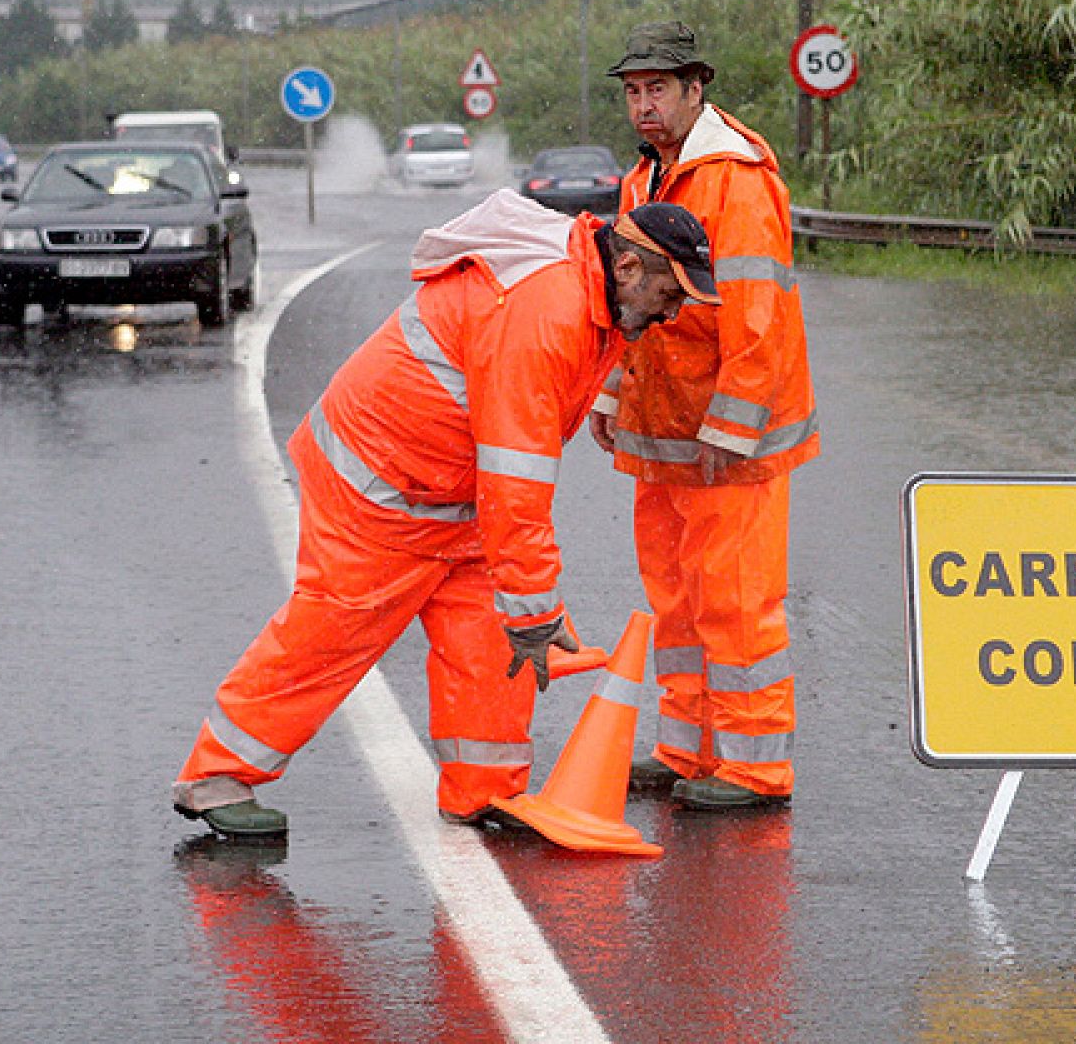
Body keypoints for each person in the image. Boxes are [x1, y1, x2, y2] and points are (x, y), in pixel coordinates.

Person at [174, 188, 719, 838]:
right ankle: (217, 776)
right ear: (629, 268)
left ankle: (483, 790)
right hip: (380, 485)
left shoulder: (591, 290)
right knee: (333, 633)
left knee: (492, 640)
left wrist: (526, 611)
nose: (675, 309)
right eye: (672, 291)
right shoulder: (546, 310)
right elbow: (516, 480)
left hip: (450, 491)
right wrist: (539, 612)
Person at [590, 20, 820, 811]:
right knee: (678, 599)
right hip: (665, 429)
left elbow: (758, 317)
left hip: (727, 438)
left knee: (736, 599)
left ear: (697, 90)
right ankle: (688, 748)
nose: (644, 105)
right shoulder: (641, 183)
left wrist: (732, 427)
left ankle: (755, 766)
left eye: (657, 89)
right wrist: (612, 393)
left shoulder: (735, 179)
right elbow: (634, 306)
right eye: (632, 93)